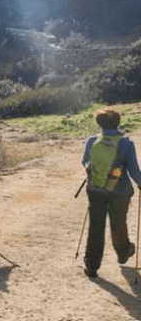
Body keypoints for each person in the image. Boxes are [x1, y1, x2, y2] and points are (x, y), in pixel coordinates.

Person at [81, 107, 141, 278]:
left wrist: (95, 171)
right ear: (118, 123)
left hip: (95, 188)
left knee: (96, 226)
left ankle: (92, 266)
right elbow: (134, 170)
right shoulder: (126, 143)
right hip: (119, 190)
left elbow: (85, 161)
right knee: (118, 222)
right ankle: (123, 252)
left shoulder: (92, 140)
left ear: (99, 123)